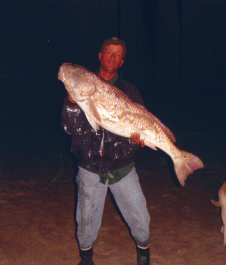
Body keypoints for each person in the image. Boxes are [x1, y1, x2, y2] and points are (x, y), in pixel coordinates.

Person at [61, 37, 150, 265]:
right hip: (89, 166)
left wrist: (136, 139)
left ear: (122, 62)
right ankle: (86, 260)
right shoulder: (85, 85)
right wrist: (71, 103)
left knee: (140, 219)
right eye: (109, 52)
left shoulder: (131, 90)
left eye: (118, 54)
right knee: (86, 221)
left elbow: (139, 127)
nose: (112, 57)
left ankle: (143, 255)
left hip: (122, 167)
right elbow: (70, 128)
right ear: (100, 56)